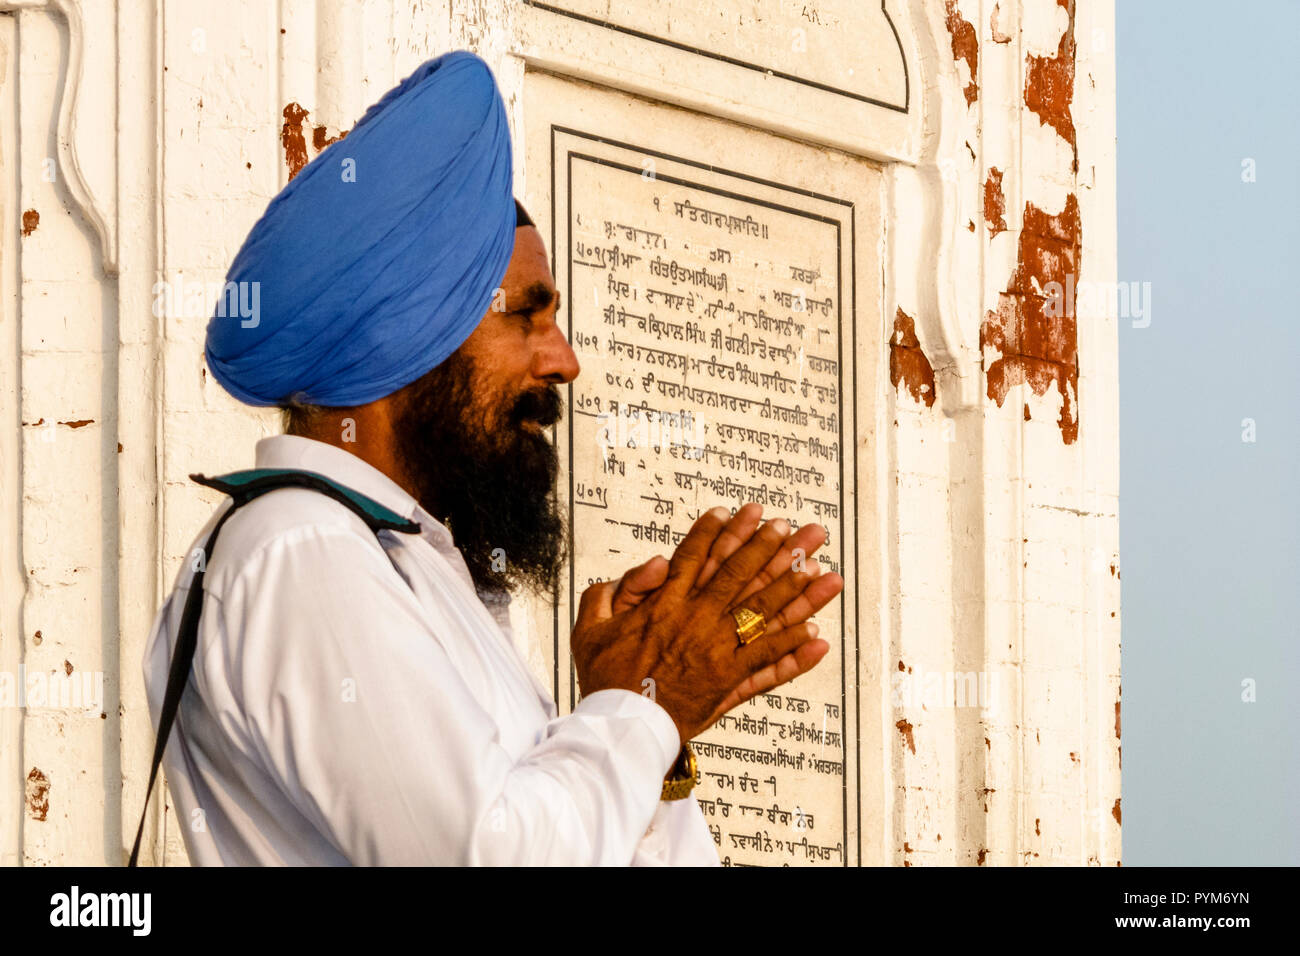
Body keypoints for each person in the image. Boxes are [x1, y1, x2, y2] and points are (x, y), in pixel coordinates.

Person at [140, 50, 843, 865]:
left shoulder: (410, 566)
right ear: (408, 333)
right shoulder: (300, 546)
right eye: (526, 318)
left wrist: (648, 720)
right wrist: (633, 710)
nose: (564, 360)